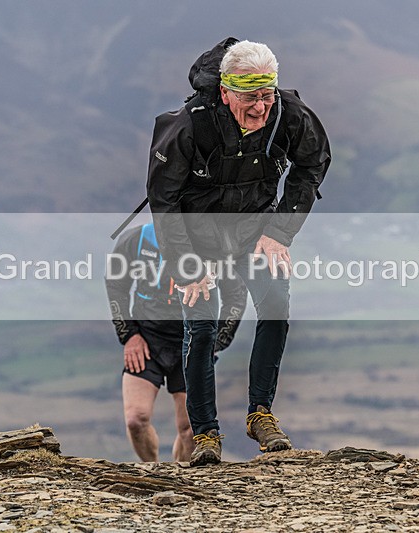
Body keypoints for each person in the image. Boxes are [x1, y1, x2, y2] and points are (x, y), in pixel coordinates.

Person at [146, 40, 330, 465]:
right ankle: (206, 435)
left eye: (266, 96)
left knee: (276, 307)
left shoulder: (288, 114)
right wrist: (185, 265)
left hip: (254, 233)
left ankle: (260, 414)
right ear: (226, 92)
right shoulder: (189, 127)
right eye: (250, 98)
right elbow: (163, 199)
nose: (260, 108)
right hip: (197, 239)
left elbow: (314, 161)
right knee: (203, 325)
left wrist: (280, 232)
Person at [106, 222, 247, 462]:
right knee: (135, 420)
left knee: (190, 429)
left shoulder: (213, 242)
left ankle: (180, 481)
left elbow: (236, 295)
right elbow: (116, 286)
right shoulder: (136, 239)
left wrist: (216, 341)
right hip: (147, 339)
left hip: (191, 339)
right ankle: (152, 472)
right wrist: (129, 335)